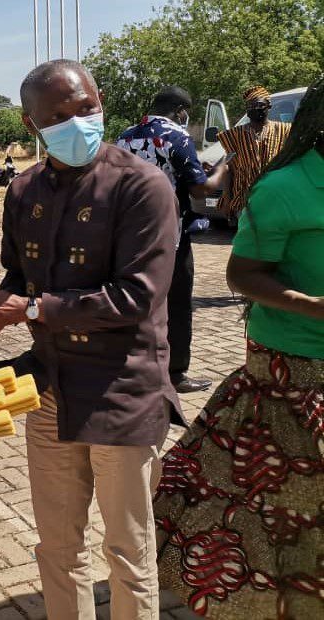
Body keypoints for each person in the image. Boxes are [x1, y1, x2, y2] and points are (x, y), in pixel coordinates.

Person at [0, 59, 181, 619]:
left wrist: (25, 308)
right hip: (51, 391)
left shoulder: (141, 185)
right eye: (60, 115)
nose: (79, 121)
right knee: (57, 546)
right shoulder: (25, 188)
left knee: (128, 551)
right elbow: (17, 277)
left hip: (122, 391)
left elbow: (135, 298)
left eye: (87, 107)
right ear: (33, 125)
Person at [153, 75, 324, 620]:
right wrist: (313, 305)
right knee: (277, 510)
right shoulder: (286, 187)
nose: (255, 112)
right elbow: (242, 273)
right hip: (294, 372)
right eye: (250, 107)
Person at [117, 86, 228, 394]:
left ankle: (134, 366)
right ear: (180, 110)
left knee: (138, 300)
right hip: (170, 236)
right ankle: (176, 373)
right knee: (177, 305)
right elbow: (199, 190)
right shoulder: (177, 136)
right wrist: (220, 171)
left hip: (130, 235)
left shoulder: (125, 137)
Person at [216, 85, 291, 218]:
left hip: (276, 198)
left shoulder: (284, 130)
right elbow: (229, 167)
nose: (254, 109)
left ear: (269, 106)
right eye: (250, 106)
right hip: (244, 200)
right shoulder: (234, 135)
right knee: (247, 236)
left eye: (259, 105)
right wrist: (227, 199)